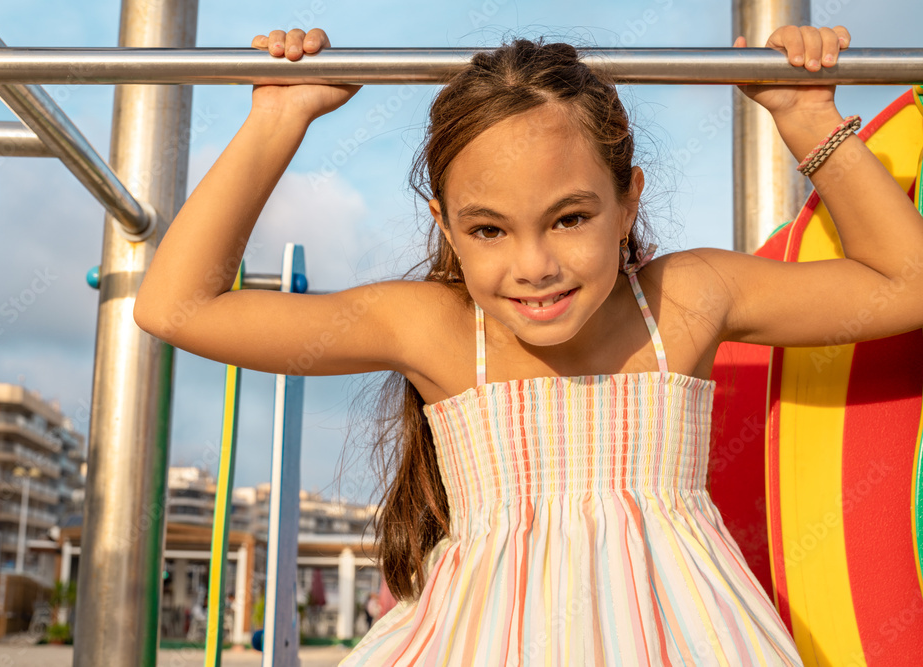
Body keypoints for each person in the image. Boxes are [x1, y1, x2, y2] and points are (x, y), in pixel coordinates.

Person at [134, 23, 923, 665]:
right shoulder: (437, 329)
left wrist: (807, 119)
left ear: (627, 201)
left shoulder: (682, 302)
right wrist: (278, 119)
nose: (535, 265)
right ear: (446, 225)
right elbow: (176, 306)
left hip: (689, 636)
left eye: (571, 217)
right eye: (489, 229)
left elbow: (906, 284)